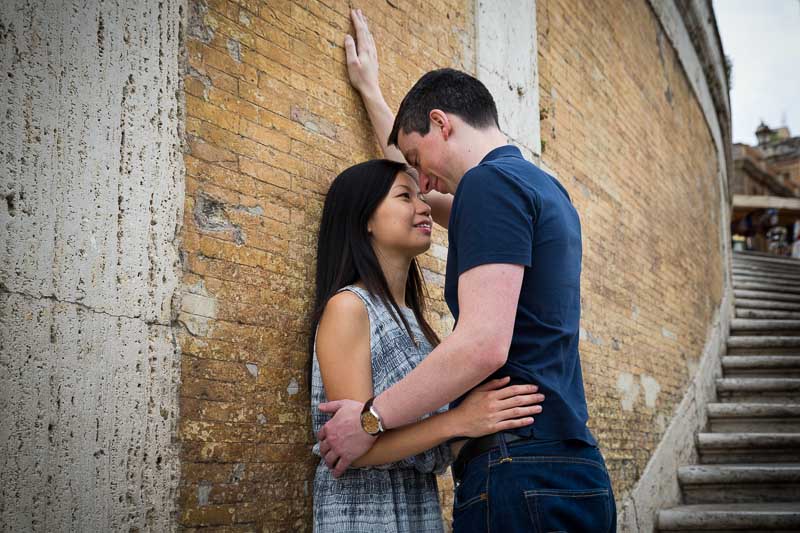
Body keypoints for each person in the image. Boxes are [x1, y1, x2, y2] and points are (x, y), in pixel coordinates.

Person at [316, 9, 616, 532]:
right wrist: (371, 91)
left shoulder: (487, 185)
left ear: (441, 122)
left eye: (420, 156)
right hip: (566, 466)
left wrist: (372, 419)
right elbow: (413, 188)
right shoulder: (540, 188)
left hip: (518, 467)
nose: (424, 179)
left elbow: (482, 344)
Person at [309, 158, 545, 532]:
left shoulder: (416, 322)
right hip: (364, 514)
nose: (424, 207)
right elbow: (349, 449)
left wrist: (484, 420)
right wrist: (460, 420)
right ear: (365, 219)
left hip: (419, 508)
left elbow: (422, 440)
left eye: (422, 195)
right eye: (406, 196)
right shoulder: (348, 307)